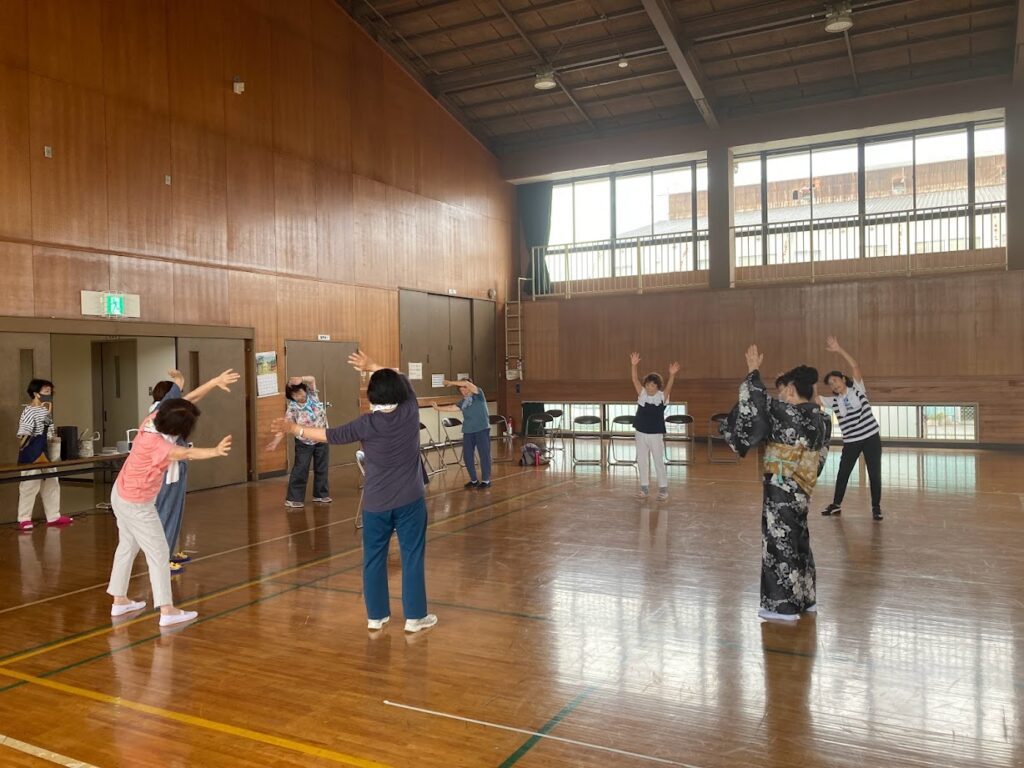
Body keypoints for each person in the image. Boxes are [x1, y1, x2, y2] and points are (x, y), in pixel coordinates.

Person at [270, 350, 437, 634]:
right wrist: (372, 365)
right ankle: (415, 618)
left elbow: (327, 435)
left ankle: (376, 617)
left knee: (373, 559)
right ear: (399, 393)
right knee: (412, 557)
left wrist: (292, 427)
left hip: (375, 504)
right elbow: (402, 378)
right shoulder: (410, 411)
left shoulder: (365, 423)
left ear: (371, 397)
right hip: (410, 500)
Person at [720, 346, 831, 622]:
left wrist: (753, 372)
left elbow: (756, 404)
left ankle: (782, 607)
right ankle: (806, 598)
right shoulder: (822, 419)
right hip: (802, 489)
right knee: (799, 539)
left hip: (781, 488)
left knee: (779, 540)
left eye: (784, 390)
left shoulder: (785, 412)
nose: (779, 394)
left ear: (791, 390)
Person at [108, 398, 232, 627]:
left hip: (120, 494)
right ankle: (167, 610)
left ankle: (120, 600)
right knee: (159, 553)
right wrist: (215, 451)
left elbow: (188, 400)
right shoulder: (161, 447)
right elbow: (187, 454)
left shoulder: (151, 421)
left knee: (127, 546)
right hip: (137, 503)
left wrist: (215, 382)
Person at [149, 369, 241, 572]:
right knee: (165, 513)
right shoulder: (159, 412)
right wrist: (214, 381)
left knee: (175, 512)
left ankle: (168, 553)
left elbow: (190, 399)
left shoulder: (167, 409)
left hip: (175, 469)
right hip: (166, 472)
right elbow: (192, 398)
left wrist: (206, 382)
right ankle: (161, 560)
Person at [819, 336, 883, 521]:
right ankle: (836, 505)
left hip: (870, 437)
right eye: (830, 384)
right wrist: (807, 384)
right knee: (843, 472)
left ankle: (876, 507)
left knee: (874, 473)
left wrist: (839, 349)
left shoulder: (857, 388)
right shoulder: (833, 401)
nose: (834, 385)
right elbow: (814, 399)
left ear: (843, 379)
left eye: (835, 380)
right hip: (851, 441)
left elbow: (855, 366)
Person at [16, 378, 73, 531]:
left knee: (52, 483)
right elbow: (24, 434)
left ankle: (53, 516)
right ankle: (24, 518)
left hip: (46, 452)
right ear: (36, 393)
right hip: (31, 452)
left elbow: (50, 432)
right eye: (46, 391)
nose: (49, 394)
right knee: (29, 485)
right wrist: (26, 452)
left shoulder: (46, 411)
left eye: (50, 391)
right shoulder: (29, 410)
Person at [272, 376, 330, 509]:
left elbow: (312, 379)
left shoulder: (312, 396)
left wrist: (301, 379)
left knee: (322, 467)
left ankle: (320, 494)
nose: (298, 396)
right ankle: (294, 498)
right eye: (294, 395)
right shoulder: (293, 408)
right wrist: (275, 442)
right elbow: (285, 427)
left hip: (322, 437)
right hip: (304, 442)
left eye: (299, 392)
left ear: (305, 390)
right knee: (301, 468)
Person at [629, 353, 679, 501]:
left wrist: (672, 375)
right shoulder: (642, 394)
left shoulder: (662, 397)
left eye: (653, 385)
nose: (649, 388)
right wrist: (634, 365)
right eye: (648, 385)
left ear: (657, 386)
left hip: (655, 434)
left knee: (658, 461)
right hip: (640, 432)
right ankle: (644, 488)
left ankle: (663, 489)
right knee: (642, 460)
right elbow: (634, 379)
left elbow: (669, 387)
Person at [433, 378, 491, 490]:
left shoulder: (478, 394)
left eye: (465, 388)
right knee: (467, 456)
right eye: (461, 390)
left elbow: (466, 383)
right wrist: (437, 408)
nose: (463, 391)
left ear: (469, 386)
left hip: (482, 429)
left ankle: (486, 480)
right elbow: (452, 408)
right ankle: (474, 480)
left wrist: (450, 382)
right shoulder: (463, 402)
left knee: (484, 455)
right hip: (468, 431)